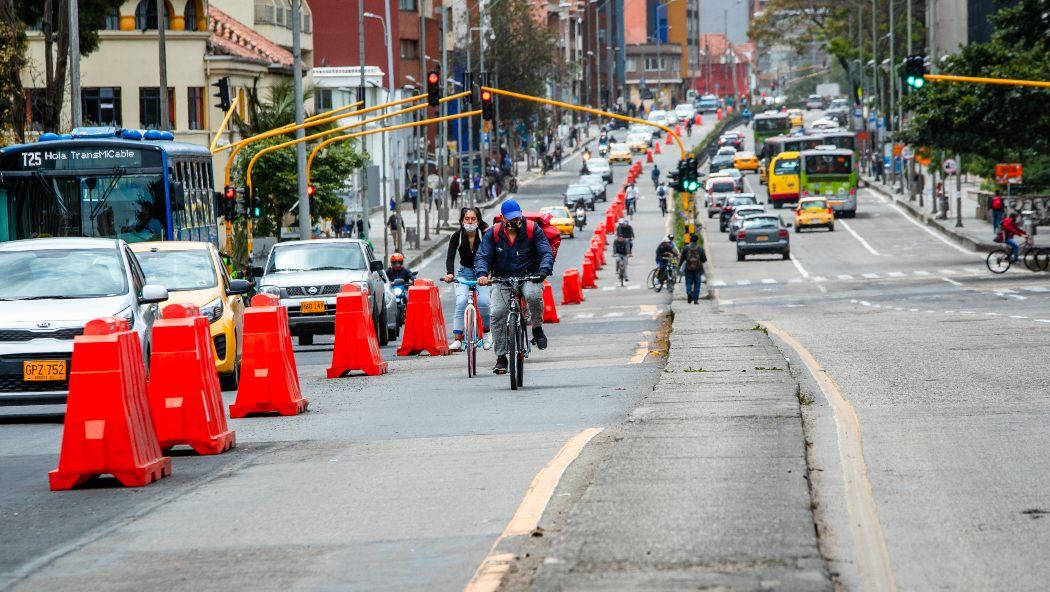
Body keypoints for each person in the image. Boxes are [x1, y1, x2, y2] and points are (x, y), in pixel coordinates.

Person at [476, 199, 554, 374]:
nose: (514, 221)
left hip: (529, 276)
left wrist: (543, 270)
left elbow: (545, 252)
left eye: (517, 217)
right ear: (502, 218)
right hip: (502, 278)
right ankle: (501, 357)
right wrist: (482, 274)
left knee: (533, 296)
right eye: (510, 218)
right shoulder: (494, 233)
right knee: (497, 313)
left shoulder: (532, 229)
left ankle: (537, 328)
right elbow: (483, 255)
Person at [442, 207, 492, 351]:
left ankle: (487, 333)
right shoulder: (456, 236)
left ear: (478, 220)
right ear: (462, 221)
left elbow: (492, 255)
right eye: (467, 219)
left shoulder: (485, 235)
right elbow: (450, 257)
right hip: (463, 273)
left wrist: (490, 274)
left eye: (473, 219)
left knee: (484, 302)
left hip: (482, 274)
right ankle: (458, 339)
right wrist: (450, 274)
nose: (470, 222)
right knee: (461, 302)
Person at [679, 234, 707, 304]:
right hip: (697, 269)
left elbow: (682, 258)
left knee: (688, 282)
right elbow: (704, 260)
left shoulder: (686, 248)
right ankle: (695, 300)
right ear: (697, 240)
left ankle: (689, 292)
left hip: (688, 269)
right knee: (697, 284)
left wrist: (679, 265)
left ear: (690, 240)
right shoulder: (700, 249)